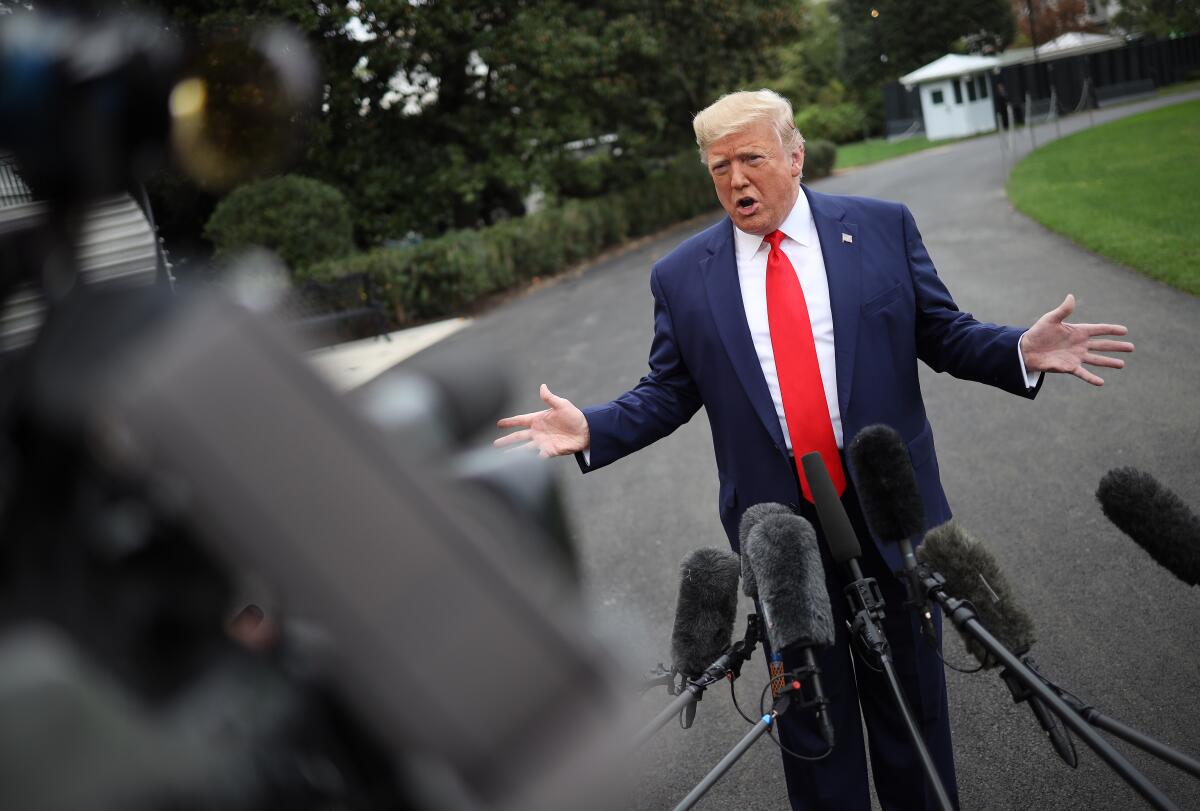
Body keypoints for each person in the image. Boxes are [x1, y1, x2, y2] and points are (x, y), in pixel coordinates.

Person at [493, 89, 1132, 811]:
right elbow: (669, 390)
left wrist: (1018, 347)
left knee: (912, 714)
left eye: (752, 159)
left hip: (888, 513)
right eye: (719, 167)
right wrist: (594, 427)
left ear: (794, 157)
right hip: (781, 538)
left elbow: (944, 332)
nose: (736, 180)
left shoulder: (881, 228)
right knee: (813, 724)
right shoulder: (682, 276)